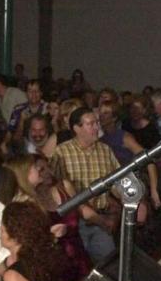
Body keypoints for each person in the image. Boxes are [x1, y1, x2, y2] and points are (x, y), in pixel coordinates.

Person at [49, 107, 121, 264]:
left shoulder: (105, 150)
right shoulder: (62, 152)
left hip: (102, 221)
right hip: (75, 226)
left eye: (97, 123)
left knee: (108, 267)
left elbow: (118, 182)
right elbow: (52, 184)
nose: (97, 127)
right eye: (90, 124)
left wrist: (129, 203)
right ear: (76, 128)